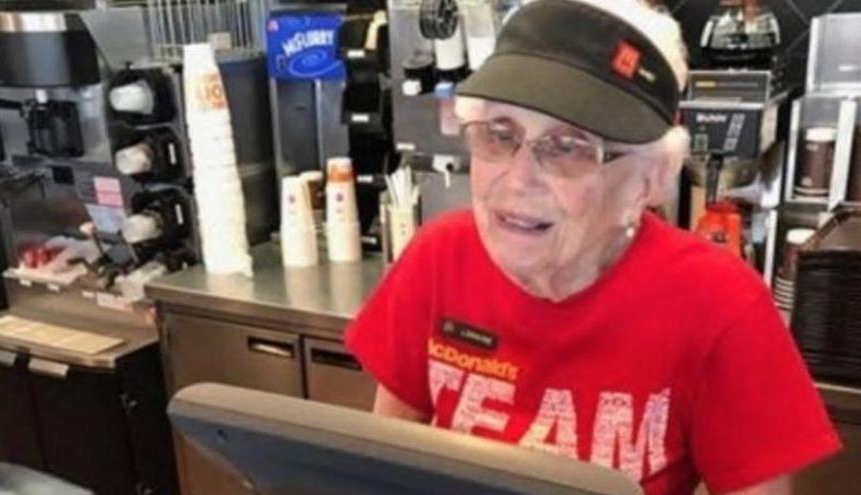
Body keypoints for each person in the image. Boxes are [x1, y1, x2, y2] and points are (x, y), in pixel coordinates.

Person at [345, 0, 841, 493]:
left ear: (646, 183)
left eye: (568, 147)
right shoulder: (440, 257)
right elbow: (384, 470)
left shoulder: (721, 305)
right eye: (500, 135)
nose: (516, 180)